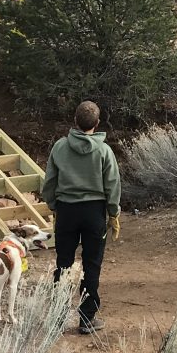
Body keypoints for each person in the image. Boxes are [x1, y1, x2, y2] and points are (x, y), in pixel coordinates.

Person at [41, 100, 121, 335]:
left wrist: (54, 205)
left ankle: (58, 317)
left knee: (64, 263)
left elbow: (49, 181)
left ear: (75, 120)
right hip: (94, 212)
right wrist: (113, 213)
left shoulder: (60, 147)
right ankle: (87, 318)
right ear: (97, 123)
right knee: (91, 264)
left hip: (66, 210)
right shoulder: (104, 151)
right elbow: (112, 184)